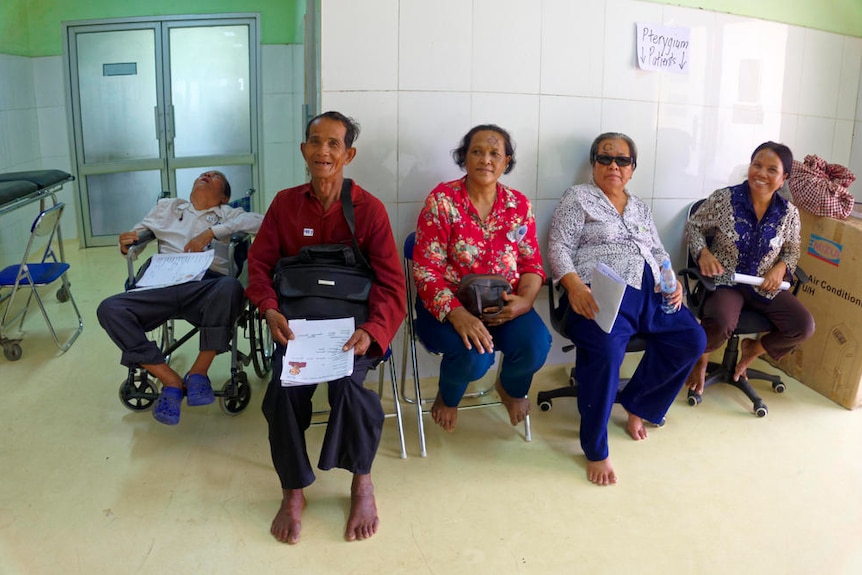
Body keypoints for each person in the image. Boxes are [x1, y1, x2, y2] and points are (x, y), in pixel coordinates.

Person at [245, 111, 405, 545]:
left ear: (348, 154)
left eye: (334, 144)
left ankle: (362, 482)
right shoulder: (284, 203)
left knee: (350, 391)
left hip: (354, 330)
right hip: (295, 328)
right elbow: (257, 265)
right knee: (282, 392)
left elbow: (393, 284)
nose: (323, 151)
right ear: (303, 150)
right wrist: (269, 309)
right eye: (315, 142)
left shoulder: (368, 209)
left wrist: (372, 331)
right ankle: (293, 490)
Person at [547, 132, 706, 486]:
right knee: (604, 353)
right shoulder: (579, 198)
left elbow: (660, 251)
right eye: (605, 158)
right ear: (593, 164)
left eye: (622, 160)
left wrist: (672, 280)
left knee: (691, 339)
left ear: (632, 169)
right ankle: (595, 449)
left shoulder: (639, 207)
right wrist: (573, 286)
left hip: (651, 291)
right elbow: (558, 247)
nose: (613, 166)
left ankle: (640, 404)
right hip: (599, 292)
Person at [412, 124, 551, 433]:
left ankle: (511, 389)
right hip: (448, 307)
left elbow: (532, 264)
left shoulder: (519, 205)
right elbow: (425, 270)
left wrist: (525, 302)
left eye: (494, 153)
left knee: (537, 344)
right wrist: (458, 315)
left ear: (506, 161)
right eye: (477, 151)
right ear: (464, 157)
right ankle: (448, 397)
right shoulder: (443, 200)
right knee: (476, 359)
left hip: (503, 306)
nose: (485, 160)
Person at [97, 171, 263, 425]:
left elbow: (262, 223)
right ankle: (169, 379)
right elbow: (137, 239)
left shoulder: (230, 213)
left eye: (215, 176)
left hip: (205, 286)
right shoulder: (168, 207)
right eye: (203, 174)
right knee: (109, 309)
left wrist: (213, 232)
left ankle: (198, 372)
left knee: (231, 287)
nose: (206, 174)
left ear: (224, 196)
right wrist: (127, 242)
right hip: (160, 282)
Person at [684, 141, 814, 393]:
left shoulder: (789, 213)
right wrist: (703, 253)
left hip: (764, 285)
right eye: (757, 165)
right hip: (726, 281)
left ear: (784, 177)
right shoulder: (725, 199)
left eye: (771, 169)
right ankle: (701, 358)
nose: (761, 174)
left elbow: (792, 249)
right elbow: (694, 226)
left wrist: (782, 267)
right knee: (720, 321)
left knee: (803, 325)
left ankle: (754, 350)